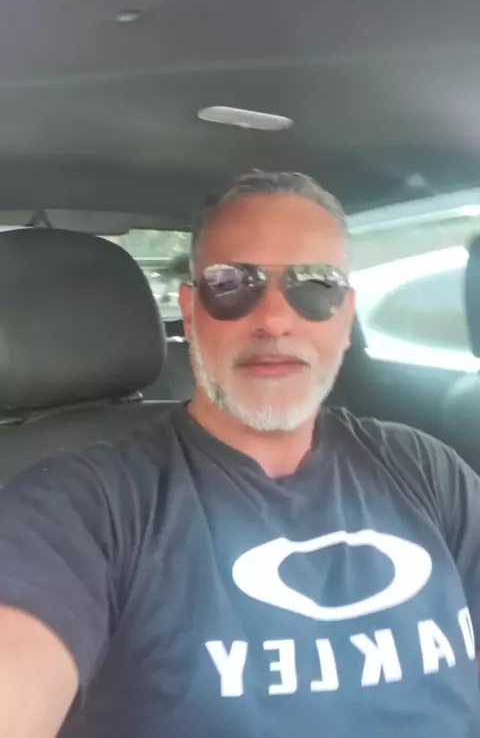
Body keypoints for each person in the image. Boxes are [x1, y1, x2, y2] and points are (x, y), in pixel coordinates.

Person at [0, 170, 478, 738]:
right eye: (231, 283)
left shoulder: (426, 470)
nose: (273, 319)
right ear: (191, 313)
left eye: (315, 284)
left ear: (346, 317)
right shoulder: (83, 509)